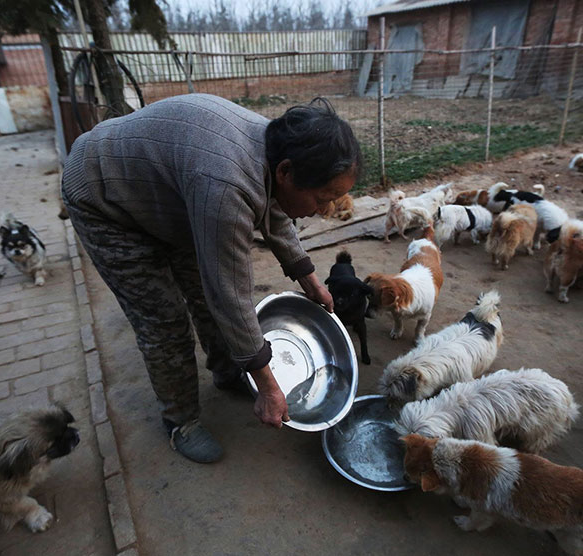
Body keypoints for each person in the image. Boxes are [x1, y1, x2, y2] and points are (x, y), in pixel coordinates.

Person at [61, 94, 361, 463]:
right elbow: (230, 294)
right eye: (323, 197)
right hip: (104, 196)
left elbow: (275, 207)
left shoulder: (277, 150)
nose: (326, 208)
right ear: (286, 172)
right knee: (165, 321)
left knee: (205, 294)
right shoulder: (227, 185)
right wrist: (268, 386)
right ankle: (180, 421)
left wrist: (309, 278)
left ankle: (228, 371)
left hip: (170, 197)